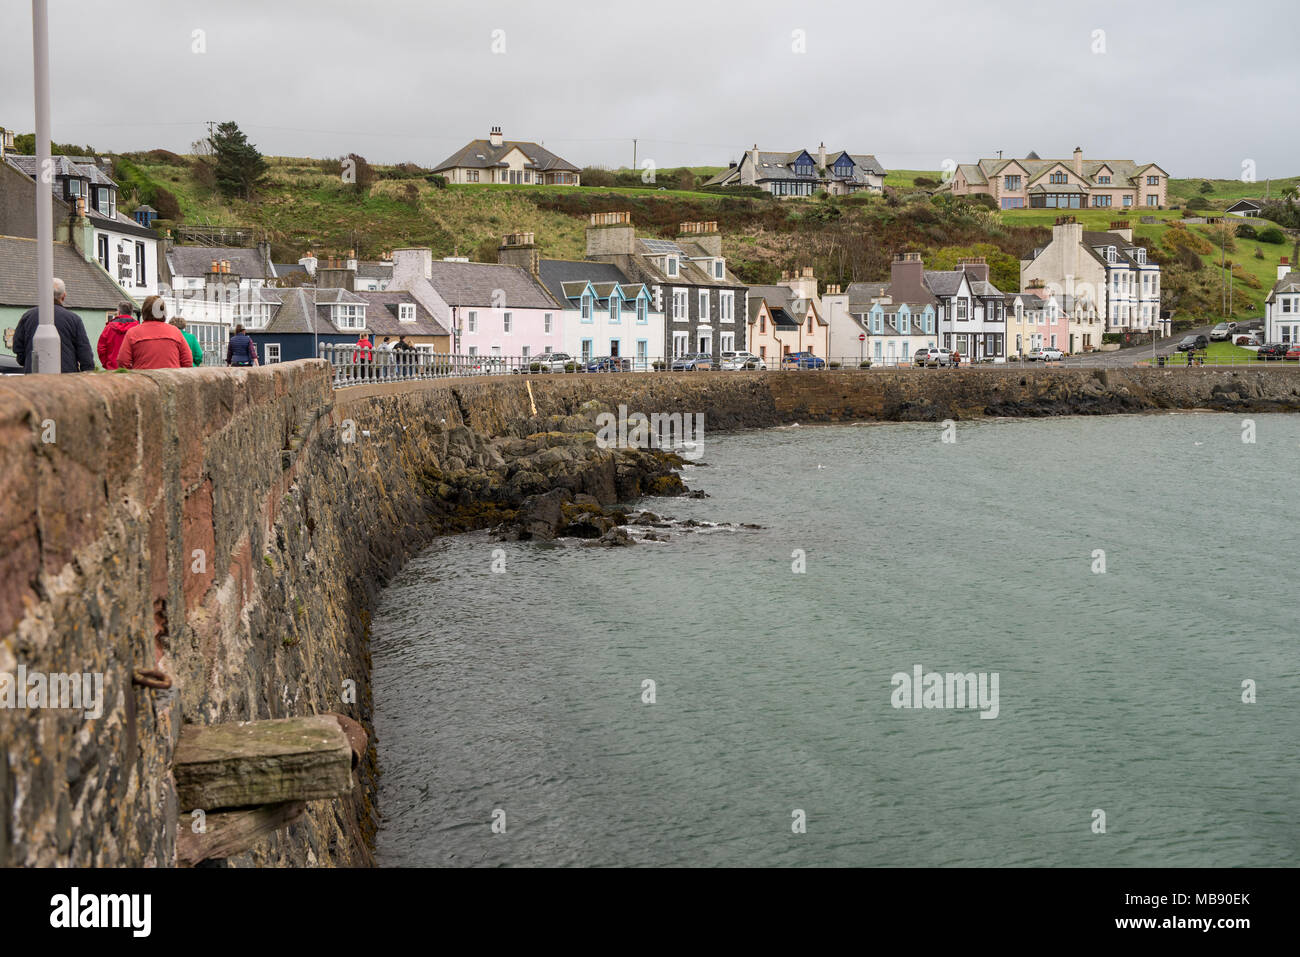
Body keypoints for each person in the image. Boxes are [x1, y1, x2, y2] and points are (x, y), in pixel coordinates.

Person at [13, 277, 96, 373]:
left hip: (34, 376)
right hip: (66, 376)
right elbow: (84, 351)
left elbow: (18, 347)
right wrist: (87, 372)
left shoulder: (27, 317)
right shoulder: (74, 319)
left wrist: (27, 362)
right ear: (64, 296)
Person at [117, 295, 193, 369]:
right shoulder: (175, 332)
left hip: (144, 379)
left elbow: (122, 361)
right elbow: (188, 361)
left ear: (144, 311)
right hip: (171, 379)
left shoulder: (133, 333)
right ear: (164, 312)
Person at [97, 301, 138, 370]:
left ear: (118, 312)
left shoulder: (109, 328)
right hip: (132, 370)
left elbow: (101, 348)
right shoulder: (137, 328)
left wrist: (107, 364)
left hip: (112, 368)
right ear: (131, 312)